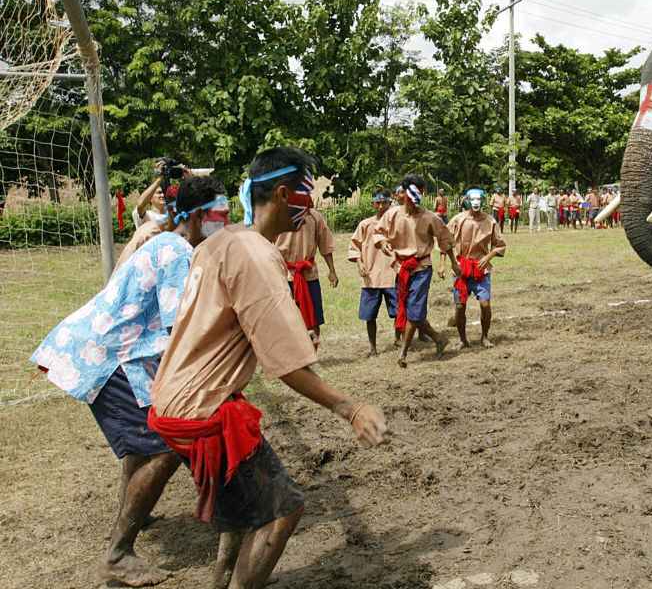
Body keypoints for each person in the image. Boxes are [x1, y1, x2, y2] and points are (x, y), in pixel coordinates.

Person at [148, 147, 391, 589]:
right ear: (282, 194)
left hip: (170, 402)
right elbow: (287, 365)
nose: (310, 204)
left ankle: (222, 580)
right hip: (203, 412)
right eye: (306, 194)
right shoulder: (257, 255)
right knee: (283, 509)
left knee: (243, 509)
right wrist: (351, 409)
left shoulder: (221, 241)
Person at [30, 176, 228, 587]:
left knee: (141, 449)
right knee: (164, 447)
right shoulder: (176, 253)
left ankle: (131, 518)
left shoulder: (167, 242)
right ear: (192, 218)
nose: (222, 224)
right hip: (109, 357)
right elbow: (180, 330)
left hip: (111, 352)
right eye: (216, 216)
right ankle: (118, 555)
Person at [373, 173, 461, 368]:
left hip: (421, 268)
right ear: (402, 194)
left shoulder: (430, 217)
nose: (413, 204)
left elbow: (445, 240)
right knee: (410, 309)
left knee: (413, 311)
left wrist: (453, 263)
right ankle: (439, 339)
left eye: (417, 200)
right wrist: (384, 243)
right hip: (400, 268)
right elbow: (379, 234)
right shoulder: (392, 215)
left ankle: (403, 352)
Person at [439, 186, 506, 349]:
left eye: (479, 199)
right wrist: (444, 264)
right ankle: (463, 339)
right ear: (467, 200)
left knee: (485, 304)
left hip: (481, 268)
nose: (476, 203)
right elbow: (445, 243)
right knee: (460, 306)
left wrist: (488, 257)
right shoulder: (458, 220)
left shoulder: (490, 221)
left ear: (483, 200)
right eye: (472, 200)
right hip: (462, 267)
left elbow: (499, 246)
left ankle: (484, 336)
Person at [275, 203, 339, 349]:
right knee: (284, 318)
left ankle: (311, 353)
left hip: (308, 275)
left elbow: (325, 243)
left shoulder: (314, 216)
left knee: (313, 317)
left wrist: (332, 271)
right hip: (283, 275)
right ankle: (291, 355)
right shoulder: (278, 215)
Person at [349, 189, 401, 357]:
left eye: (384, 203)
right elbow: (354, 247)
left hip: (392, 273)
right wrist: (359, 263)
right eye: (377, 203)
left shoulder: (396, 224)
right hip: (371, 275)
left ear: (389, 203)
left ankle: (398, 339)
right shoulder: (365, 225)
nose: (381, 206)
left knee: (398, 311)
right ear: (372, 204)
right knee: (369, 314)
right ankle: (373, 347)